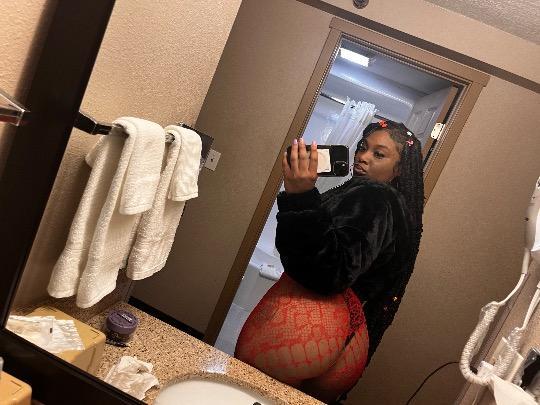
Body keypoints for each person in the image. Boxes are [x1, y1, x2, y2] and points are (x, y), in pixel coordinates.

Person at [235, 120, 424, 403]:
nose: (362, 157)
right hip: (349, 330)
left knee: (244, 394)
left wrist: (300, 197)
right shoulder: (397, 207)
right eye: (363, 147)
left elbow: (330, 273)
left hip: (309, 322)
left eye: (378, 154)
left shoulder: (372, 194)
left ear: (399, 170)